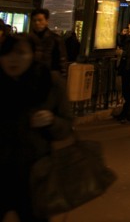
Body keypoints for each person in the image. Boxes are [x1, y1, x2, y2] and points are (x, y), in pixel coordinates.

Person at [0, 33, 74, 222]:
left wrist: (51, 120)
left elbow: (66, 126)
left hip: (37, 175)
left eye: (21, 53)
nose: (13, 59)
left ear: (34, 54)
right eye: (7, 53)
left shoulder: (49, 83)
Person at [29, 7, 68, 77]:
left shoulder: (56, 39)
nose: (37, 23)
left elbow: (62, 62)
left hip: (49, 78)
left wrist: (61, 78)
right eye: (34, 20)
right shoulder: (27, 39)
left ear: (47, 21)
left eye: (40, 20)